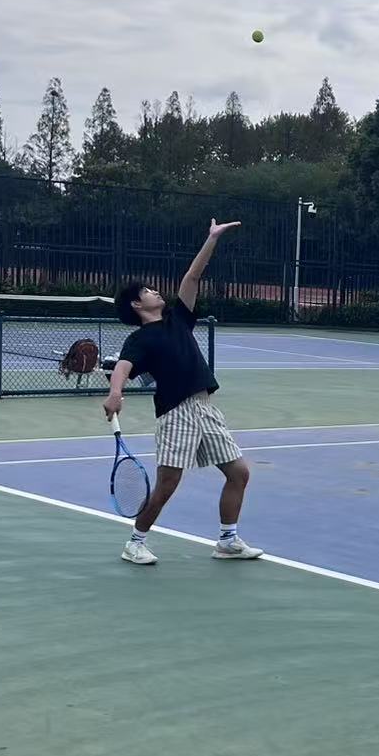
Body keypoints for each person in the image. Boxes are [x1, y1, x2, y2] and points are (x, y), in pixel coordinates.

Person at [104, 220, 262, 566]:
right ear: (136, 304)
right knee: (168, 483)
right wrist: (115, 393)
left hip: (206, 409)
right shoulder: (139, 339)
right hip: (176, 413)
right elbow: (123, 368)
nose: (155, 292)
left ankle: (227, 541)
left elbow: (192, 277)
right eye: (148, 291)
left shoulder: (179, 319)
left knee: (239, 473)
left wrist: (212, 239)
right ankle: (135, 542)